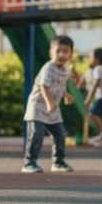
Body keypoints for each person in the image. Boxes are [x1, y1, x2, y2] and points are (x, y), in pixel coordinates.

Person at [22, 35, 75, 173]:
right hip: (38, 107)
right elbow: (43, 86)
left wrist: (66, 95)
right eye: (58, 51)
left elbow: (59, 85)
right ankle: (29, 162)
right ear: (50, 52)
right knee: (37, 134)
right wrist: (49, 102)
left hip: (53, 109)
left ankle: (58, 162)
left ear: (71, 54)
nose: (62, 54)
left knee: (60, 134)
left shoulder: (65, 70)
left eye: (65, 51)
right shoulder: (48, 68)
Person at [83, 47, 102, 147]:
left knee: (92, 114)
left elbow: (95, 85)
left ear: (96, 59)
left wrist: (88, 99)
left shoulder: (98, 69)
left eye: (90, 57)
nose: (88, 58)